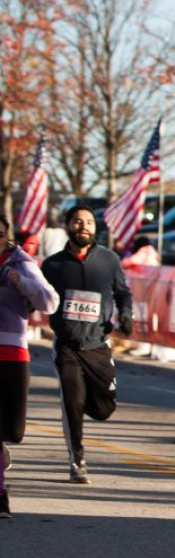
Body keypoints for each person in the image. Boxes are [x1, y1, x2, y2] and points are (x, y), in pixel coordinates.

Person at [40, 205, 133, 484]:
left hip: (98, 346)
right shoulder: (53, 265)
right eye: (78, 222)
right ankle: (77, 460)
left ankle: (88, 403)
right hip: (67, 345)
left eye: (89, 222)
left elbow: (123, 293)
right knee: (72, 400)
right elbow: (37, 294)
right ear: (68, 226)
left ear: (95, 228)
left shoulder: (109, 260)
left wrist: (126, 315)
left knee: (104, 409)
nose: (84, 226)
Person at [0, 215, 60, 518]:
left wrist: (22, 284)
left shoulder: (20, 263)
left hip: (12, 352)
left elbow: (50, 302)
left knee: (14, 430)